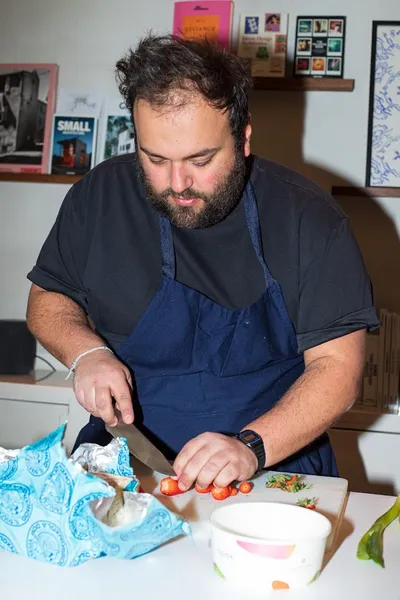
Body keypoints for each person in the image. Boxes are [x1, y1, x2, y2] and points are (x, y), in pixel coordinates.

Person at [26, 34, 379, 493]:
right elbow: (47, 299)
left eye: (201, 159)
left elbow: (338, 369)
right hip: (123, 469)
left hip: (273, 470)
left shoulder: (308, 219)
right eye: (155, 158)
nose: (178, 183)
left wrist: (250, 446)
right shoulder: (99, 197)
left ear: (243, 137)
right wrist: (87, 354)